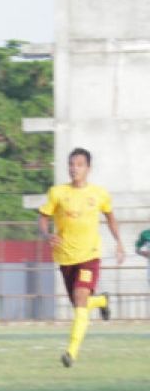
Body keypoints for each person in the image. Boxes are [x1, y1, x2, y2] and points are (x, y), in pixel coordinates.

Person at [36, 147, 125, 367]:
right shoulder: (57, 192)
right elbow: (43, 218)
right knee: (79, 304)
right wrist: (47, 235)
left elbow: (110, 217)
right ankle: (102, 300)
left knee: (80, 302)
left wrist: (119, 241)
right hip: (66, 257)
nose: (74, 169)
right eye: (71, 164)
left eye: (79, 165)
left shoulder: (99, 193)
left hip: (89, 256)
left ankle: (71, 352)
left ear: (88, 168)